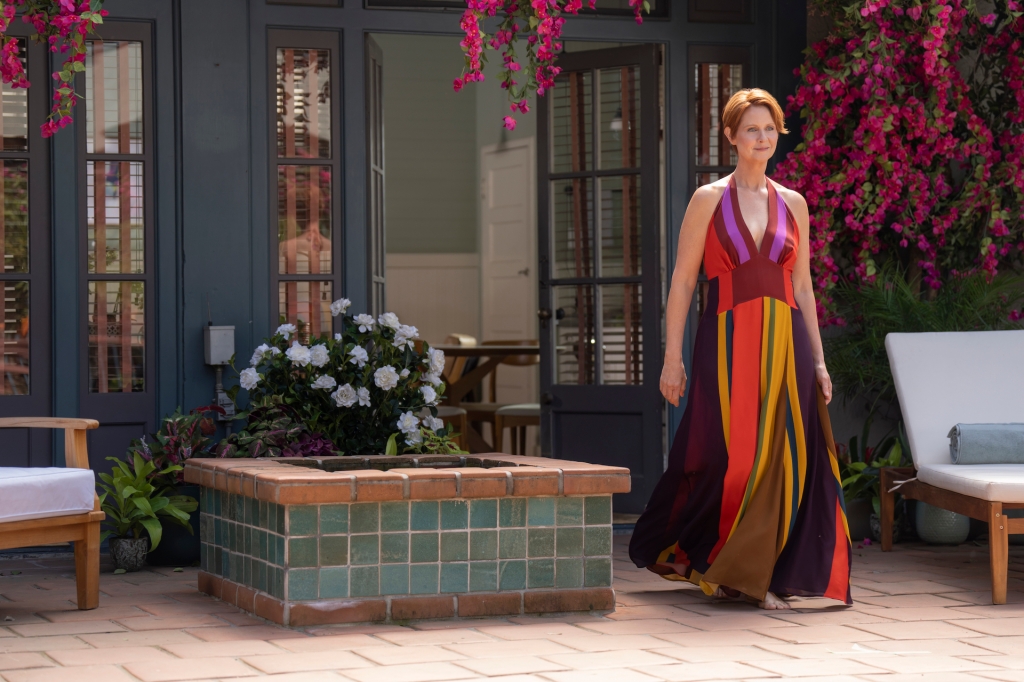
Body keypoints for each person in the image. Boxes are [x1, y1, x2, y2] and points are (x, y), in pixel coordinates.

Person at [628, 88, 851, 609]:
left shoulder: (794, 203)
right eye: (752, 129)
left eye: (770, 129)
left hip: (785, 345)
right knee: (737, 458)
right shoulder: (709, 199)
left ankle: (758, 574)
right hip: (725, 343)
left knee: (783, 460)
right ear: (730, 136)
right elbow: (683, 282)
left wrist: (818, 360)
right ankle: (726, 562)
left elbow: (803, 289)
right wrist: (671, 358)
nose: (763, 138)